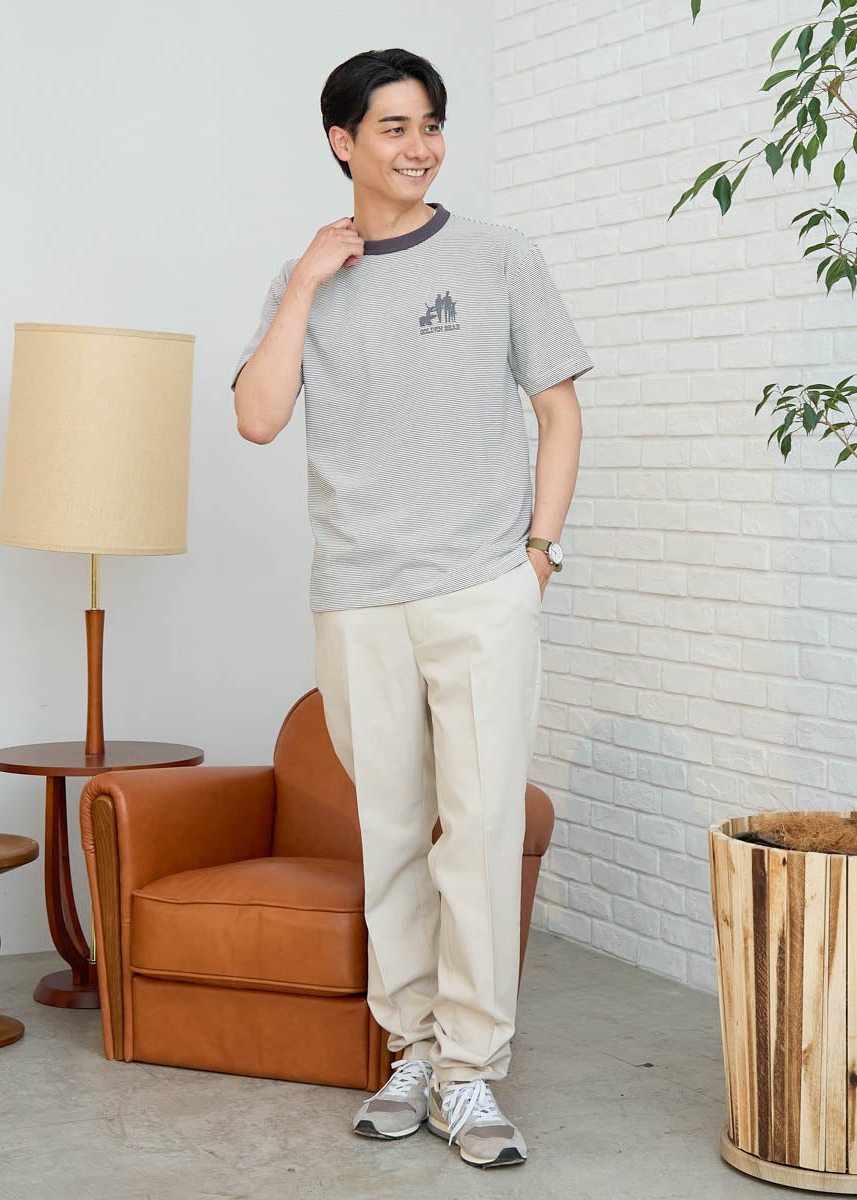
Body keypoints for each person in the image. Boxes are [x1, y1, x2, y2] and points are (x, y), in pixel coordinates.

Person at [230, 47, 592, 1170]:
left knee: (477, 833)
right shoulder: (305, 279)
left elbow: (559, 410)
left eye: (430, 123)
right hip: (358, 596)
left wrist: (537, 557)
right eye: (393, 127)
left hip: (481, 587)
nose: (419, 146)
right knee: (389, 831)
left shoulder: (498, 256)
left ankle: (471, 1071)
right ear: (342, 142)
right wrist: (306, 280)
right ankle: (413, 1052)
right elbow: (256, 417)